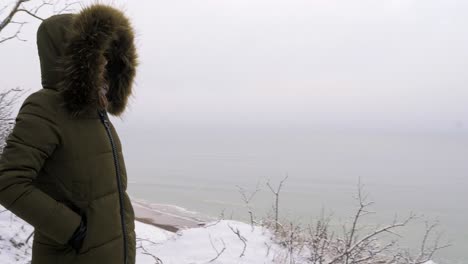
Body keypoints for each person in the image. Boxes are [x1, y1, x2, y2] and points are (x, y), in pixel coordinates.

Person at [0, 4, 138, 264]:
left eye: (108, 53)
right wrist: (72, 231)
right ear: (74, 56)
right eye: (99, 53)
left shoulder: (97, 113)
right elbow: (8, 182)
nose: (106, 60)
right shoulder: (44, 107)